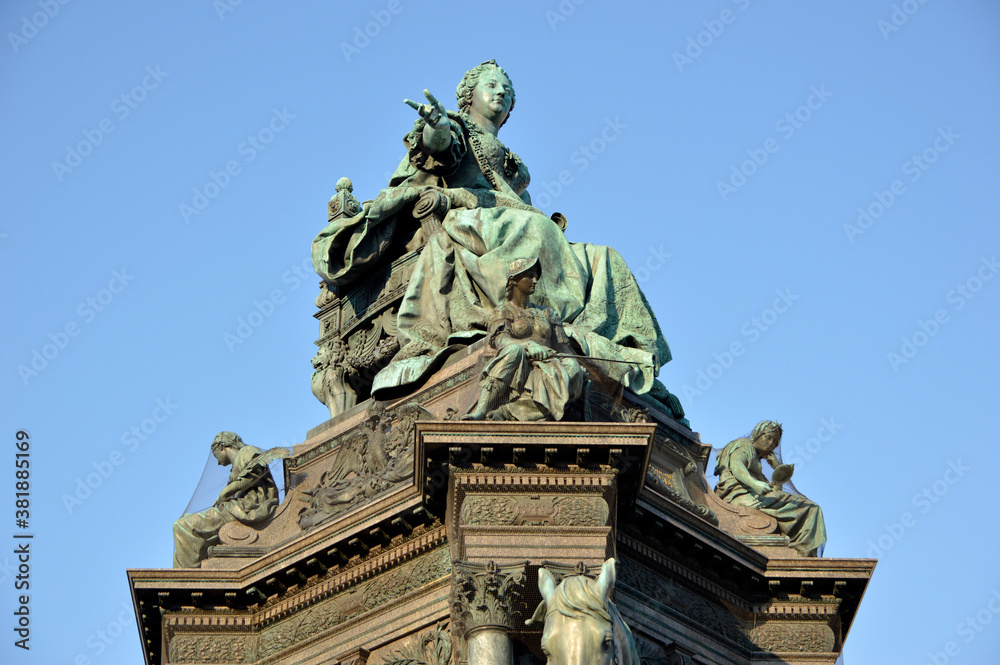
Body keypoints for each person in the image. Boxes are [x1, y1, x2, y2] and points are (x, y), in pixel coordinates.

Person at [310, 61, 683, 419]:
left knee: (605, 257)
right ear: (468, 95)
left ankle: (579, 337)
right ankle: (533, 321)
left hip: (507, 219)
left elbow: (517, 203)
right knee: (537, 231)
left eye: (508, 90)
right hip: (464, 214)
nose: (500, 92)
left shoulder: (511, 161)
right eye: (491, 85)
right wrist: (435, 128)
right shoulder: (457, 127)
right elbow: (438, 147)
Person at [463, 257, 585, 421]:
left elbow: (563, 347)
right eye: (529, 276)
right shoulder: (502, 311)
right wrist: (528, 345)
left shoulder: (548, 313)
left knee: (572, 366)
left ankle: (522, 410)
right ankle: (482, 409)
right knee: (514, 350)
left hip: (549, 363)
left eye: (536, 276)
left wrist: (574, 362)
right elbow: (501, 341)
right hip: (520, 362)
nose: (535, 280)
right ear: (513, 280)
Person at [713, 421, 827, 557]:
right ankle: (803, 550)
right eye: (768, 437)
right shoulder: (744, 444)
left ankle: (803, 550)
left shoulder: (758, 465)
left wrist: (777, 469)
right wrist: (756, 484)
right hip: (739, 497)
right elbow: (737, 465)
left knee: (810, 507)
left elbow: (775, 492)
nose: (771, 444)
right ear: (757, 434)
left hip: (753, 497)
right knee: (810, 508)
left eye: (775, 443)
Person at [172, 432, 279, 568]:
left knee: (183, 526)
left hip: (247, 508)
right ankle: (189, 573)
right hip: (238, 508)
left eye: (215, 454)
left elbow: (255, 473)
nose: (217, 462)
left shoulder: (247, 451)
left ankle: (189, 578)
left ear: (222, 447)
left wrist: (225, 492)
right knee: (185, 524)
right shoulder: (239, 462)